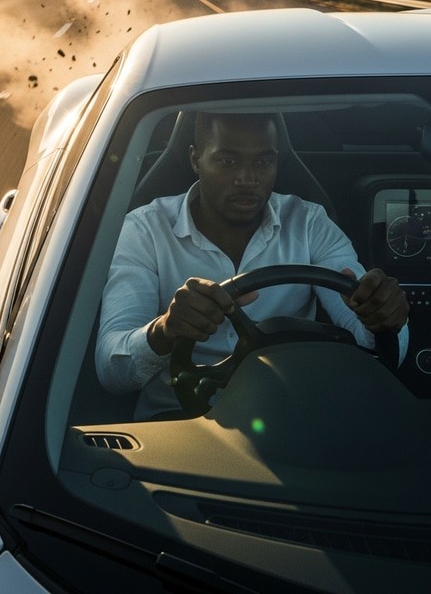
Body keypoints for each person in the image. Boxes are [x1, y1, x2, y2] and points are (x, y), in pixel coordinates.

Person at [96, 112, 409, 420]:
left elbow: (372, 339)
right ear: (196, 160)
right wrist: (165, 329)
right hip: (177, 421)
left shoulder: (310, 223)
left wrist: (383, 319)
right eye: (228, 161)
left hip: (292, 419)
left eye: (263, 162)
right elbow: (112, 371)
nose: (247, 179)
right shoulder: (144, 230)